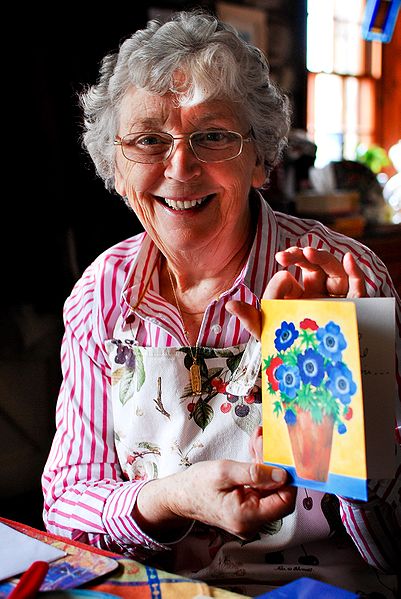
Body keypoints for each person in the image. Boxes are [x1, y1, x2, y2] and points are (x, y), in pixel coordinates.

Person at [42, 10, 401, 597]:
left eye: (212, 136)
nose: (180, 166)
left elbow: (393, 546)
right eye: (148, 140)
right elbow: (66, 505)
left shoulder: (341, 277)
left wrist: (341, 395)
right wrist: (169, 498)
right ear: (116, 167)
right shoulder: (102, 294)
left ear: (260, 158)